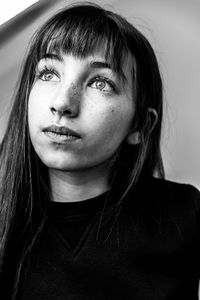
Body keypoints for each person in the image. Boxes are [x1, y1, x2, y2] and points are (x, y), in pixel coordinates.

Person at [0, 2, 200, 299]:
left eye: (100, 82)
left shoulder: (186, 214)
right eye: (48, 73)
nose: (63, 103)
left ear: (140, 126)